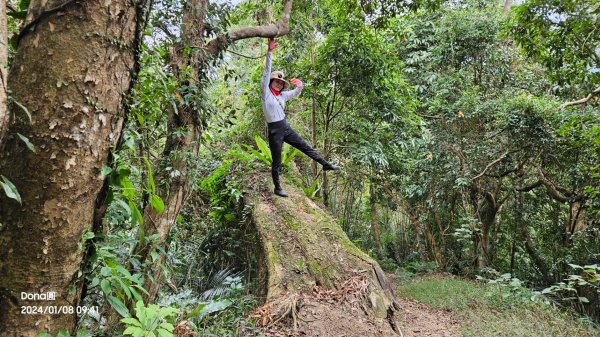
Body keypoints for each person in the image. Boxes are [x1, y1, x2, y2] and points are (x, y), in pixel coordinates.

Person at [261, 38, 339, 197]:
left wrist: (300, 85)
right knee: (277, 161)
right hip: (275, 130)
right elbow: (266, 71)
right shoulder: (266, 94)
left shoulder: (282, 96)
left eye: (281, 82)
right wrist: (269, 52)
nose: (278, 84)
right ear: (271, 82)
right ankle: (277, 187)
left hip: (285, 127)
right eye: (276, 81)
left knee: (305, 146)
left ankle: (325, 164)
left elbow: (296, 92)